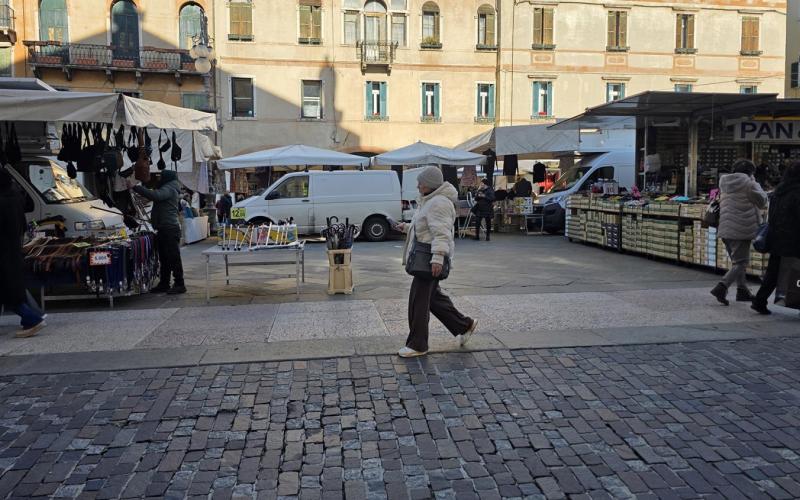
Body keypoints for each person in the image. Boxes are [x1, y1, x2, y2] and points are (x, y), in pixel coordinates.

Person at [394, 166, 477, 358]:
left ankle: (418, 344)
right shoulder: (430, 201)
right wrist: (406, 227)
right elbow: (425, 227)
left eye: (420, 182)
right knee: (434, 300)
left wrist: (438, 258)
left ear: (429, 185)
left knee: (418, 302)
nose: (417, 185)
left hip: (429, 261)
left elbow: (442, 233)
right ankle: (465, 325)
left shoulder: (438, 203)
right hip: (428, 259)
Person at [710, 159, 768, 305]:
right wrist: (754, 182)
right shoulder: (749, 183)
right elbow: (763, 201)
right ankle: (722, 287)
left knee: (737, 262)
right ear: (751, 172)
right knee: (741, 262)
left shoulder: (724, 183)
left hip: (725, 229)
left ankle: (742, 291)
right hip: (742, 229)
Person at [0, 167, 46, 337]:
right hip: (13, 248)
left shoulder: (3, 202)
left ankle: (32, 319)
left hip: (4, 251)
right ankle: (31, 318)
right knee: (12, 289)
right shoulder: (15, 197)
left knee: (9, 291)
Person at [752, 161, 800, 314]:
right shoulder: (798, 192)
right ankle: (797, 301)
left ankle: (759, 300)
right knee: (797, 272)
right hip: (795, 239)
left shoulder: (779, 191)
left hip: (777, 238)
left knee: (773, 273)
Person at [128, 170, 186, 294]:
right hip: (164, 228)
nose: (158, 179)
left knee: (173, 257)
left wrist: (136, 187)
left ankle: (180, 284)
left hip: (169, 228)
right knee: (164, 258)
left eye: (161, 176)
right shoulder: (169, 186)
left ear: (166, 177)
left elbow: (156, 196)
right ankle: (164, 283)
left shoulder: (170, 188)